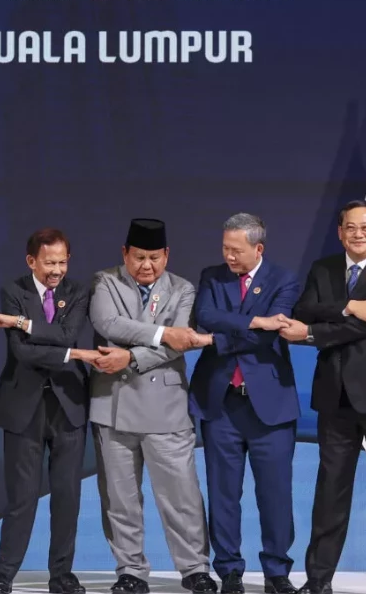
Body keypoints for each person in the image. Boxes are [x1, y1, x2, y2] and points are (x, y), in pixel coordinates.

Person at [286, 200, 366, 594]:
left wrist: (312, 334)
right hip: (335, 394)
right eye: (351, 227)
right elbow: (303, 309)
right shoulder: (323, 268)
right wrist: (349, 305)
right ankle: (318, 579)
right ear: (340, 232)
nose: (359, 234)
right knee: (330, 490)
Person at [90, 218, 216, 594]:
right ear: (125, 253)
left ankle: (195, 568)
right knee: (120, 497)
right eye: (139, 257)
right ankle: (130, 569)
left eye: (155, 257)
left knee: (181, 495)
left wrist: (129, 357)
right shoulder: (104, 282)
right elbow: (109, 324)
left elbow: (181, 344)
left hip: (166, 405)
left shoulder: (182, 288)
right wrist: (163, 332)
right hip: (112, 403)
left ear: (167, 255)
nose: (147, 265)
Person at [189, 214, 302, 594]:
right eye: (225, 248)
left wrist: (215, 340)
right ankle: (229, 571)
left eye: (236, 250)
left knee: (275, 493)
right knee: (223, 493)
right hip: (221, 403)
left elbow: (270, 336)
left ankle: (277, 572)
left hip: (270, 404)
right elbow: (205, 316)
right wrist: (256, 321)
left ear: (258, 248)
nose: (229, 256)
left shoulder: (284, 280)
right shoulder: (212, 276)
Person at [0, 228, 98, 594]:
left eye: (63, 262)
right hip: (23, 406)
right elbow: (21, 352)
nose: (57, 270)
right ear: (31, 261)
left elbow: (66, 334)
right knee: (21, 497)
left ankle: (61, 575)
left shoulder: (77, 291)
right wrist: (73, 353)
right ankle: (3, 574)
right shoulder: (13, 291)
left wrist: (22, 323)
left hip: (69, 405)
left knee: (67, 496)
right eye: (50, 263)